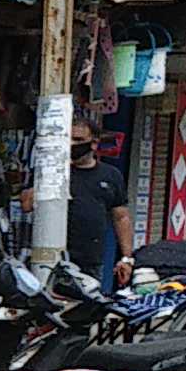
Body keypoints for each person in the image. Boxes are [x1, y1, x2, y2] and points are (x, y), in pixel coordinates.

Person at [68, 123, 133, 290]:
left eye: (78, 140)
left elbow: (121, 217)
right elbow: (26, 204)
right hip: (54, 256)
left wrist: (126, 258)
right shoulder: (55, 172)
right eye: (68, 139)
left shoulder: (111, 175)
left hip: (90, 259)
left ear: (94, 143)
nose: (72, 144)